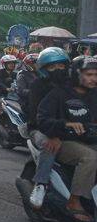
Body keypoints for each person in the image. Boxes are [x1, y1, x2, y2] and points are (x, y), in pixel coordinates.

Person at [36, 55, 97, 222]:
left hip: (90, 139)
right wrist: (67, 125)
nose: (94, 79)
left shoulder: (95, 95)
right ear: (77, 74)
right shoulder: (59, 93)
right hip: (64, 140)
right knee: (90, 158)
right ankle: (74, 201)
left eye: (96, 75)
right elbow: (43, 119)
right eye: (89, 74)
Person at [26, 47, 71, 208]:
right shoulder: (38, 86)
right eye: (52, 67)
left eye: (61, 66)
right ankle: (41, 184)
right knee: (49, 145)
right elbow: (37, 117)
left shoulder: (70, 85)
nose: (58, 70)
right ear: (44, 69)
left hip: (66, 130)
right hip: (40, 130)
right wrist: (53, 133)